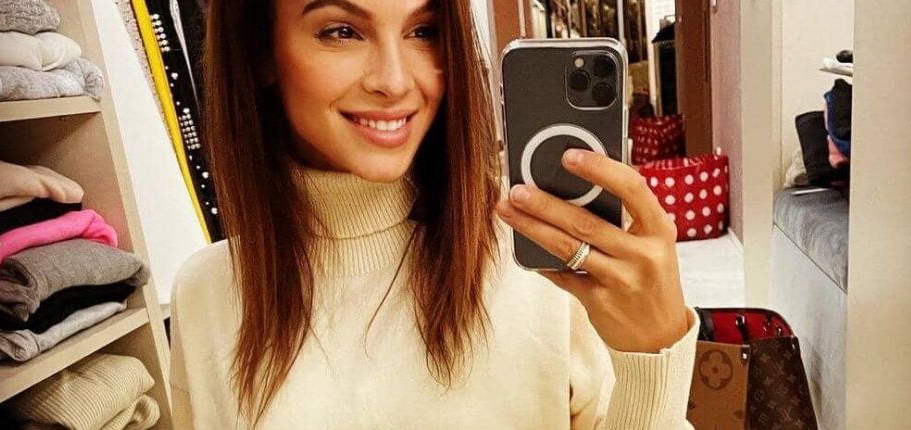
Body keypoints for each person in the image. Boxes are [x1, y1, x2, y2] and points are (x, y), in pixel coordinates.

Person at [170, 0, 698, 428]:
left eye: (423, 31)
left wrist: (653, 355)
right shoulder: (206, 295)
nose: (394, 81)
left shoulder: (544, 265)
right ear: (260, 50)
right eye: (341, 31)